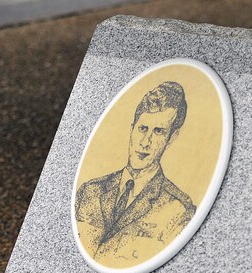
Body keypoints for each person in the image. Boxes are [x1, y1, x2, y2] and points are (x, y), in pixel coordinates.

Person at [75, 81, 196, 263]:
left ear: (171, 138)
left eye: (158, 132)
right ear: (132, 128)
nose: (145, 142)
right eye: (142, 128)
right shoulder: (90, 191)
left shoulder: (178, 210)